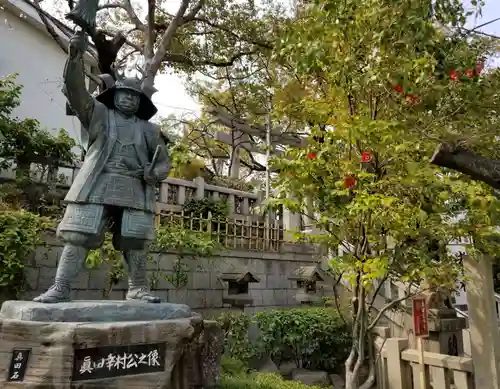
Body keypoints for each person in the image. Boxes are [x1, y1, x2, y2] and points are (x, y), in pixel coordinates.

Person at [34, 30, 171, 303]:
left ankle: (138, 288)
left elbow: (164, 161)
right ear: (114, 95)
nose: (130, 99)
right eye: (125, 95)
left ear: (141, 102)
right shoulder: (98, 113)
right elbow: (76, 91)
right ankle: (60, 287)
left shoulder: (150, 130)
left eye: (135, 97)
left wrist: (154, 174)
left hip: (134, 186)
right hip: (98, 182)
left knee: (136, 241)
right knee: (79, 235)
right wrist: (74, 57)